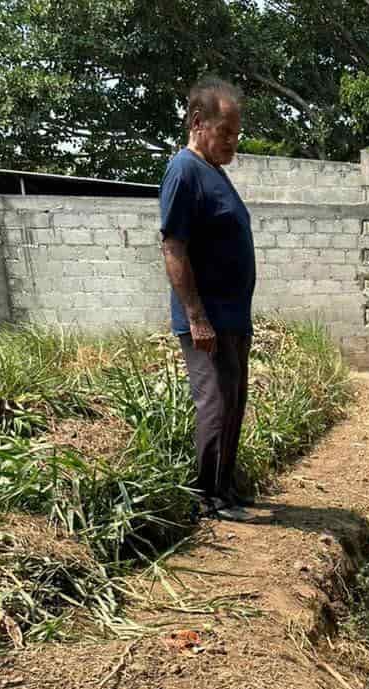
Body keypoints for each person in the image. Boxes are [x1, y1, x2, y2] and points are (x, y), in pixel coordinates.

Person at [160, 77, 256, 521]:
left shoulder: (214, 172)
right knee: (216, 402)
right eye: (226, 133)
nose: (233, 143)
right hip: (209, 318)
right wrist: (196, 317)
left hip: (233, 316)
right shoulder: (183, 170)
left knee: (235, 399)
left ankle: (227, 489)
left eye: (236, 134)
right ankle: (207, 498)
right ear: (199, 123)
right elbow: (174, 247)